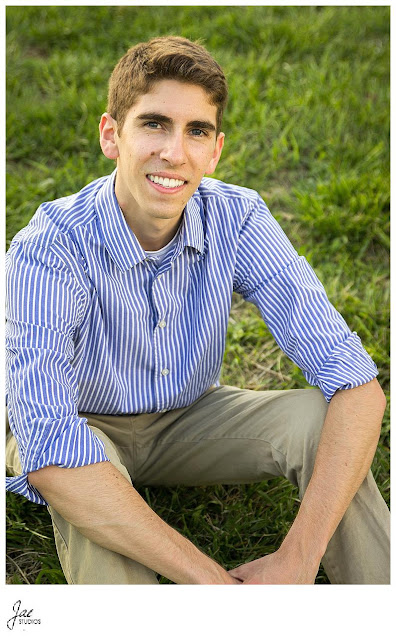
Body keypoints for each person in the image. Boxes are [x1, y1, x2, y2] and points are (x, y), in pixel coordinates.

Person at [6, 36, 390, 585]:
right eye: (154, 124)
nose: (175, 153)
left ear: (215, 149)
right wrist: (213, 584)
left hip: (187, 416)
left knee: (324, 418)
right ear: (111, 135)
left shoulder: (239, 218)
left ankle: (379, 603)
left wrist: (298, 557)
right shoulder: (47, 248)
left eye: (197, 131)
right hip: (79, 427)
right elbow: (50, 447)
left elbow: (356, 385)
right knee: (95, 522)